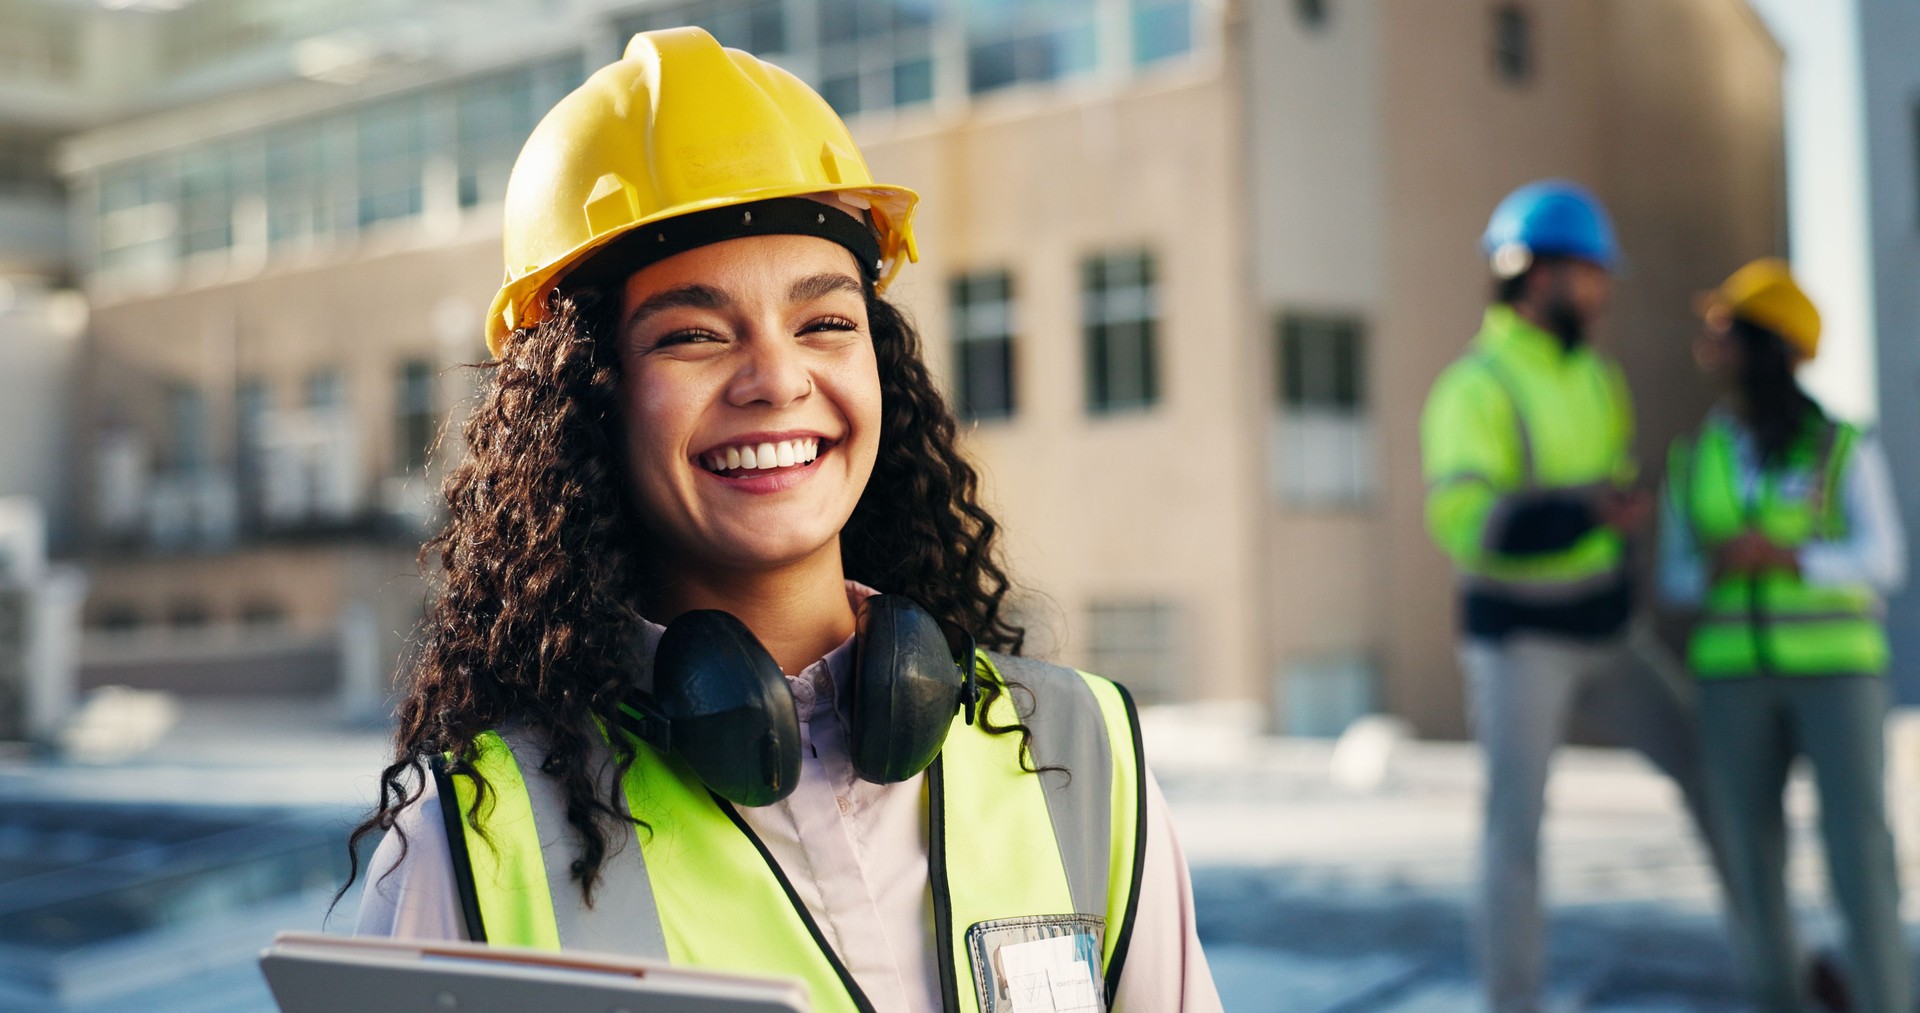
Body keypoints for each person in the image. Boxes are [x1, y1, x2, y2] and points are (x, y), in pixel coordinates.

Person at [342, 26, 1221, 1013]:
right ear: (587, 398)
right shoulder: (472, 846)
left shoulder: (1080, 751)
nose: (777, 378)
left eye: (826, 321)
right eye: (694, 334)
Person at [1421, 180, 1726, 1013]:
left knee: (1711, 766)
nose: (1600, 292)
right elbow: (1464, 522)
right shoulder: (1473, 387)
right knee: (1513, 834)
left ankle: (1785, 955)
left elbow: (1611, 487)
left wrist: (1617, 510)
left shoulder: (1597, 377)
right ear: (1530, 272)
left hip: (1609, 630)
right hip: (1520, 643)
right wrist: (1582, 509)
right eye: (1587, 273)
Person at [1661, 259, 1911, 1013]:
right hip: (1732, 677)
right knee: (1750, 862)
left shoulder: (1841, 445)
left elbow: (1886, 559)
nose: (1710, 345)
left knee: (1858, 857)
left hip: (1837, 674)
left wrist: (1795, 556)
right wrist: (1714, 564)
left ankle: (1884, 999)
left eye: (1724, 329)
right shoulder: (1698, 453)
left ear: (1765, 343)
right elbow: (1674, 579)